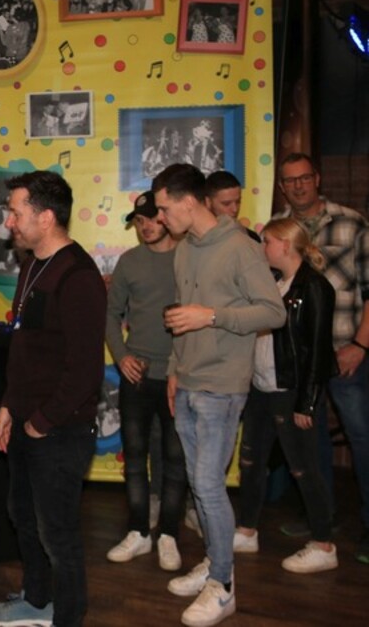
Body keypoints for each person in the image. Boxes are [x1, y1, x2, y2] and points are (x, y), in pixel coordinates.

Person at [152, 163, 285, 627]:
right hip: (188, 381)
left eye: (165, 208)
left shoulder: (240, 247)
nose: (161, 217)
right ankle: (214, 561)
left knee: (208, 486)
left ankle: (223, 585)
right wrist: (174, 370)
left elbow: (273, 312)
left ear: (189, 202)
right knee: (198, 481)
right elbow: (180, 318)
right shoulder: (186, 249)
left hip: (222, 386)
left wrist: (212, 316)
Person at [0, 171, 105, 627]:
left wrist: (42, 422)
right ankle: (36, 600)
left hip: (59, 431)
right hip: (26, 420)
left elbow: (85, 370)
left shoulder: (78, 276)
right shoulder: (33, 265)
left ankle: (68, 615)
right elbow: (27, 348)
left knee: (58, 531)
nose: (9, 222)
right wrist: (8, 405)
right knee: (23, 516)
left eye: (16, 213)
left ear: (46, 217)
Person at [273, 152, 369, 564]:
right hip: (299, 358)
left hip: (345, 349)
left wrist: (360, 346)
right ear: (282, 187)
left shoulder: (352, 223)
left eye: (304, 178)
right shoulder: (277, 229)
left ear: (317, 179)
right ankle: (321, 519)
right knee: (311, 443)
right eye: (289, 180)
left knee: (361, 438)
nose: (298, 186)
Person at [233, 217, 339, 573]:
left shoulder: (315, 287)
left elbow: (318, 351)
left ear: (285, 244)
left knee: (303, 468)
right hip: (261, 389)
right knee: (251, 463)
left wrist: (307, 402)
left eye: (266, 242)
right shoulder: (274, 284)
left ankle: (324, 544)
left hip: (290, 392)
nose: (263, 249)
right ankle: (247, 530)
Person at [104, 191, 188, 573]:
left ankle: (169, 533)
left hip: (177, 376)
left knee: (175, 459)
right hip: (136, 376)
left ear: (166, 217)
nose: (146, 226)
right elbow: (110, 314)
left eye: (152, 218)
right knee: (135, 458)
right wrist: (121, 356)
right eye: (139, 221)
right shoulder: (129, 261)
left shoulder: (188, 257)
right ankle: (139, 531)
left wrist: (181, 367)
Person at [204, 170, 260, 242]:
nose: (235, 209)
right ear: (208, 202)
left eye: (238, 202)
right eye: (226, 204)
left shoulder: (251, 238)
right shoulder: (195, 240)